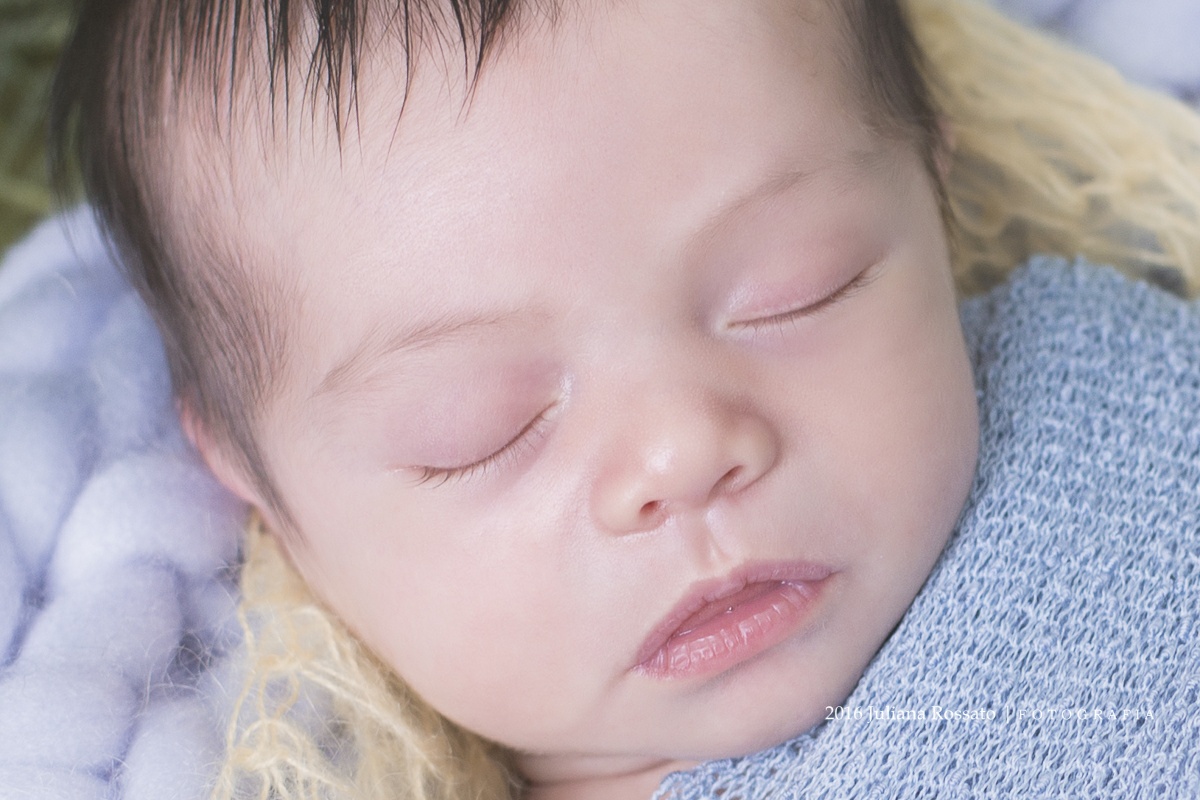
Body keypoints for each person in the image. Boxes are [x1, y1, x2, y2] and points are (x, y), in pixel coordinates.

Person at [46, 0, 1200, 797]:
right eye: (483, 426)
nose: (682, 450)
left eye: (795, 291)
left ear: (932, 192)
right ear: (259, 485)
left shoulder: (1132, 405)